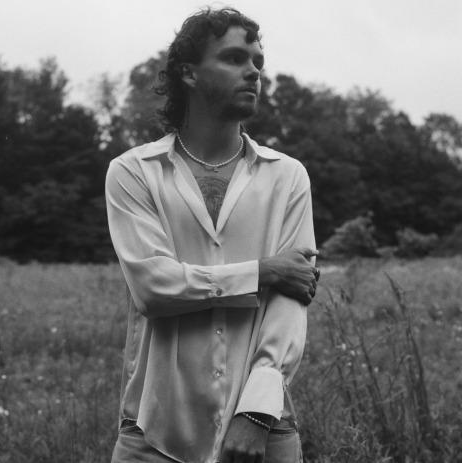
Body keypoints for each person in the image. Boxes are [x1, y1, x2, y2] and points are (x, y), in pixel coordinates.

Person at [105, 7, 318, 463]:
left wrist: (257, 413)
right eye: (235, 59)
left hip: (265, 431)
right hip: (154, 431)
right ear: (189, 74)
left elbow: (292, 298)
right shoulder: (134, 173)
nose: (254, 72)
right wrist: (263, 272)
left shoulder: (287, 177)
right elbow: (153, 288)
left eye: (258, 61)